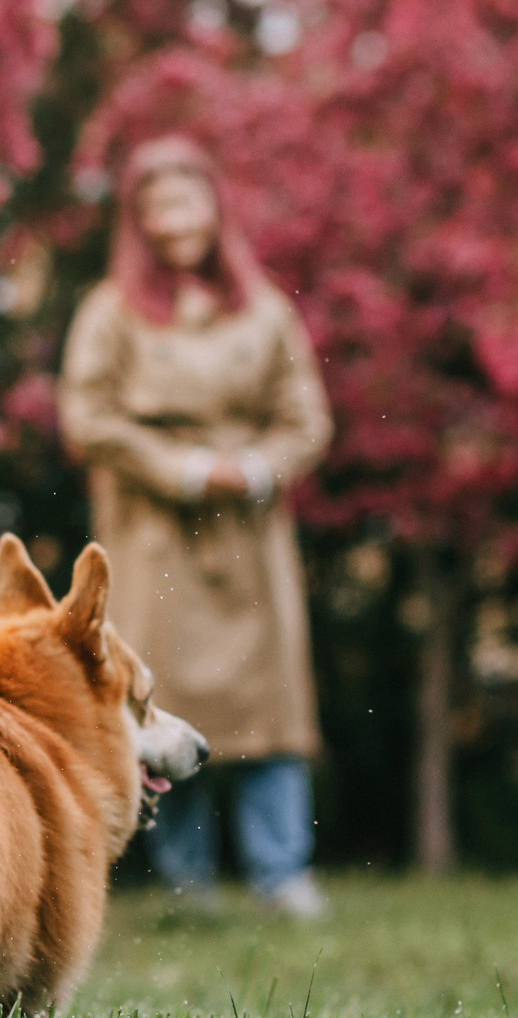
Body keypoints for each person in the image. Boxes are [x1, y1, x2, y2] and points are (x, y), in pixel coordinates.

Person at [57, 135, 334, 918]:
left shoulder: (266, 312)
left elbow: (306, 419)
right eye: (159, 209)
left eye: (188, 202)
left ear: (215, 209)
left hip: (247, 538)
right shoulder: (110, 315)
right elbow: (89, 417)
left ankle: (283, 872)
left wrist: (250, 469)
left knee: (269, 709)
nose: (176, 222)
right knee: (165, 697)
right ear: (138, 223)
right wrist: (179, 468)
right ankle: (187, 879)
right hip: (156, 535)